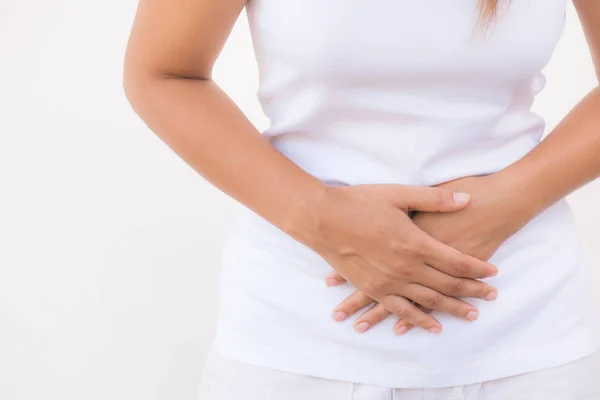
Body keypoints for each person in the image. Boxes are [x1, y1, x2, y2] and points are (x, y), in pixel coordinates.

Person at [122, 0, 600, 398]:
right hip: (294, 337)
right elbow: (164, 73)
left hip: (529, 336)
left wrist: (510, 202)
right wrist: (321, 218)